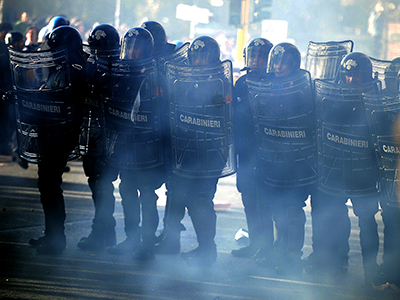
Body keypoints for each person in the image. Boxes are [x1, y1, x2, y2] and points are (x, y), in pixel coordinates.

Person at [162, 36, 235, 266]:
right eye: (196, 55)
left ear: (214, 58)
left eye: (204, 56)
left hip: (209, 152)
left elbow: (228, 119)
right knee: (176, 194)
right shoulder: (181, 81)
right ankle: (170, 242)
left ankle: (207, 250)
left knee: (201, 200)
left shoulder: (221, 83)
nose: (199, 60)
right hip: (185, 149)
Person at [246, 42, 317, 276]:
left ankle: (292, 255)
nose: (277, 66)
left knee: (293, 209)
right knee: (277, 208)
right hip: (272, 158)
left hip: (297, 161)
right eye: (275, 61)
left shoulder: (304, 88)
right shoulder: (265, 85)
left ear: (294, 64)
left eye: (283, 62)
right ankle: (279, 251)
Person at [312, 52, 383, 285]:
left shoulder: (377, 101)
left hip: (366, 173)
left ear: (368, 76)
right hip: (338, 170)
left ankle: (371, 271)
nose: (351, 81)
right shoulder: (332, 99)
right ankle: (337, 261)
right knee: (335, 216)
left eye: (357, 76)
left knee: (367, 220)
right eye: (347, 76)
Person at [22, 25, 87, 254]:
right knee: (47, 185)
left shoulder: (74, 71)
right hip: (51, 134)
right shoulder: (62, 69)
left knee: (50, 186)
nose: (51, 52)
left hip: (59, 135)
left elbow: (65, 105)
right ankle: (52, 236)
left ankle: (56, 240)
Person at [102, 26, 165, 261]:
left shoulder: (156, 74)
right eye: (129, 46)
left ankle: (147, 244)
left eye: (137, 47)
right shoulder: (118, 71)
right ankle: (131, 238)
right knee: (127, 190)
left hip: (149, 146)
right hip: (126, 144)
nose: (132, 51)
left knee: (147, 193)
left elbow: (163, 113)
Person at [76, 24, 121, 251]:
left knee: (104, 184)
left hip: (112, 136)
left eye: (101, 50)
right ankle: (105, 232)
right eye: (94, 49)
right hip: (91, 133)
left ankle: (105, 233)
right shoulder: (88, 65)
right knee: (96, 182)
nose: (97, 54)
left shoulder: (121, 70)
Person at [231, 38, 275, 260]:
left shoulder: (276, 83)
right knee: (248, 198)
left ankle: (267, 247)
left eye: (261, 56)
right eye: (253, 56)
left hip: (266, 153)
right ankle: (256, 244)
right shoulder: (242, 82)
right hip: (244, 151)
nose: (256, 61)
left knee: (263, 200)